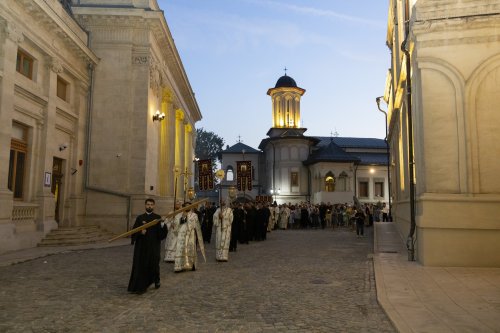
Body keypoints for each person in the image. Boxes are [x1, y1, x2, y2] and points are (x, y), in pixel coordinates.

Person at [128, 198, 168, 294]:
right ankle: (141, 285)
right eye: (148, 204)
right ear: (145, 205)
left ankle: (156, 280)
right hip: (141, 247)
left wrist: (162, 223)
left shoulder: (157, 218)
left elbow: (161, 234)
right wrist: (140, 232)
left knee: (154, 264)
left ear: (154, 206)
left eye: (151, 204)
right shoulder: (140, 218)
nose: (149, 206)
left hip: (153, 246)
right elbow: (133, 232)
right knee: (141, 265)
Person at [174, 202, 205, 272]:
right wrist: (182, 217)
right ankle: (179, 266)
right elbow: (176, 225)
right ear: (183, 207)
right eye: (186, 206)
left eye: (189, 206)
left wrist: (186, 218)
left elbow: (195, 225)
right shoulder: (179, 215)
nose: (188, 207)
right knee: (180, 249)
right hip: (181, 236)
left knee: (191, 249)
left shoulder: (194, 215)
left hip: (190, 235)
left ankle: (191, 265)